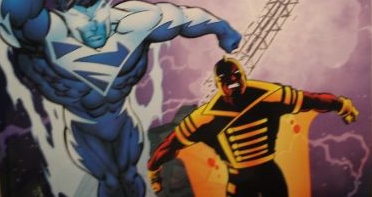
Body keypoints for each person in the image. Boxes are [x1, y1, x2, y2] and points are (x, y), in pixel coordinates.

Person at [0, 0, 242, 197]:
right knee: (110, 181)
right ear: (65, 17)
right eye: (81, 18)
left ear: (107, 6)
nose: (94, 26)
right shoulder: (50, 36)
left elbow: (184, 18)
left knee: (129, 177)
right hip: (84, 130)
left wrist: (221, 28)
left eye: (98, 14)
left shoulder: (134, 24)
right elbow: (11, 15)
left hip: (122, 120)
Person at [147, 57, 358, 197]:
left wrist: (341, 105)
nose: (232, 81)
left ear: (243, 75)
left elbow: (312, 100)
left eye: (236, 75)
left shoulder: (268, 96)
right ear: (218, 84)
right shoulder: (206, 117)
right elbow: (171, 144)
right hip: (239, 180)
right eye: (225, 78)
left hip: (270, 175)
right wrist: (154, 168)